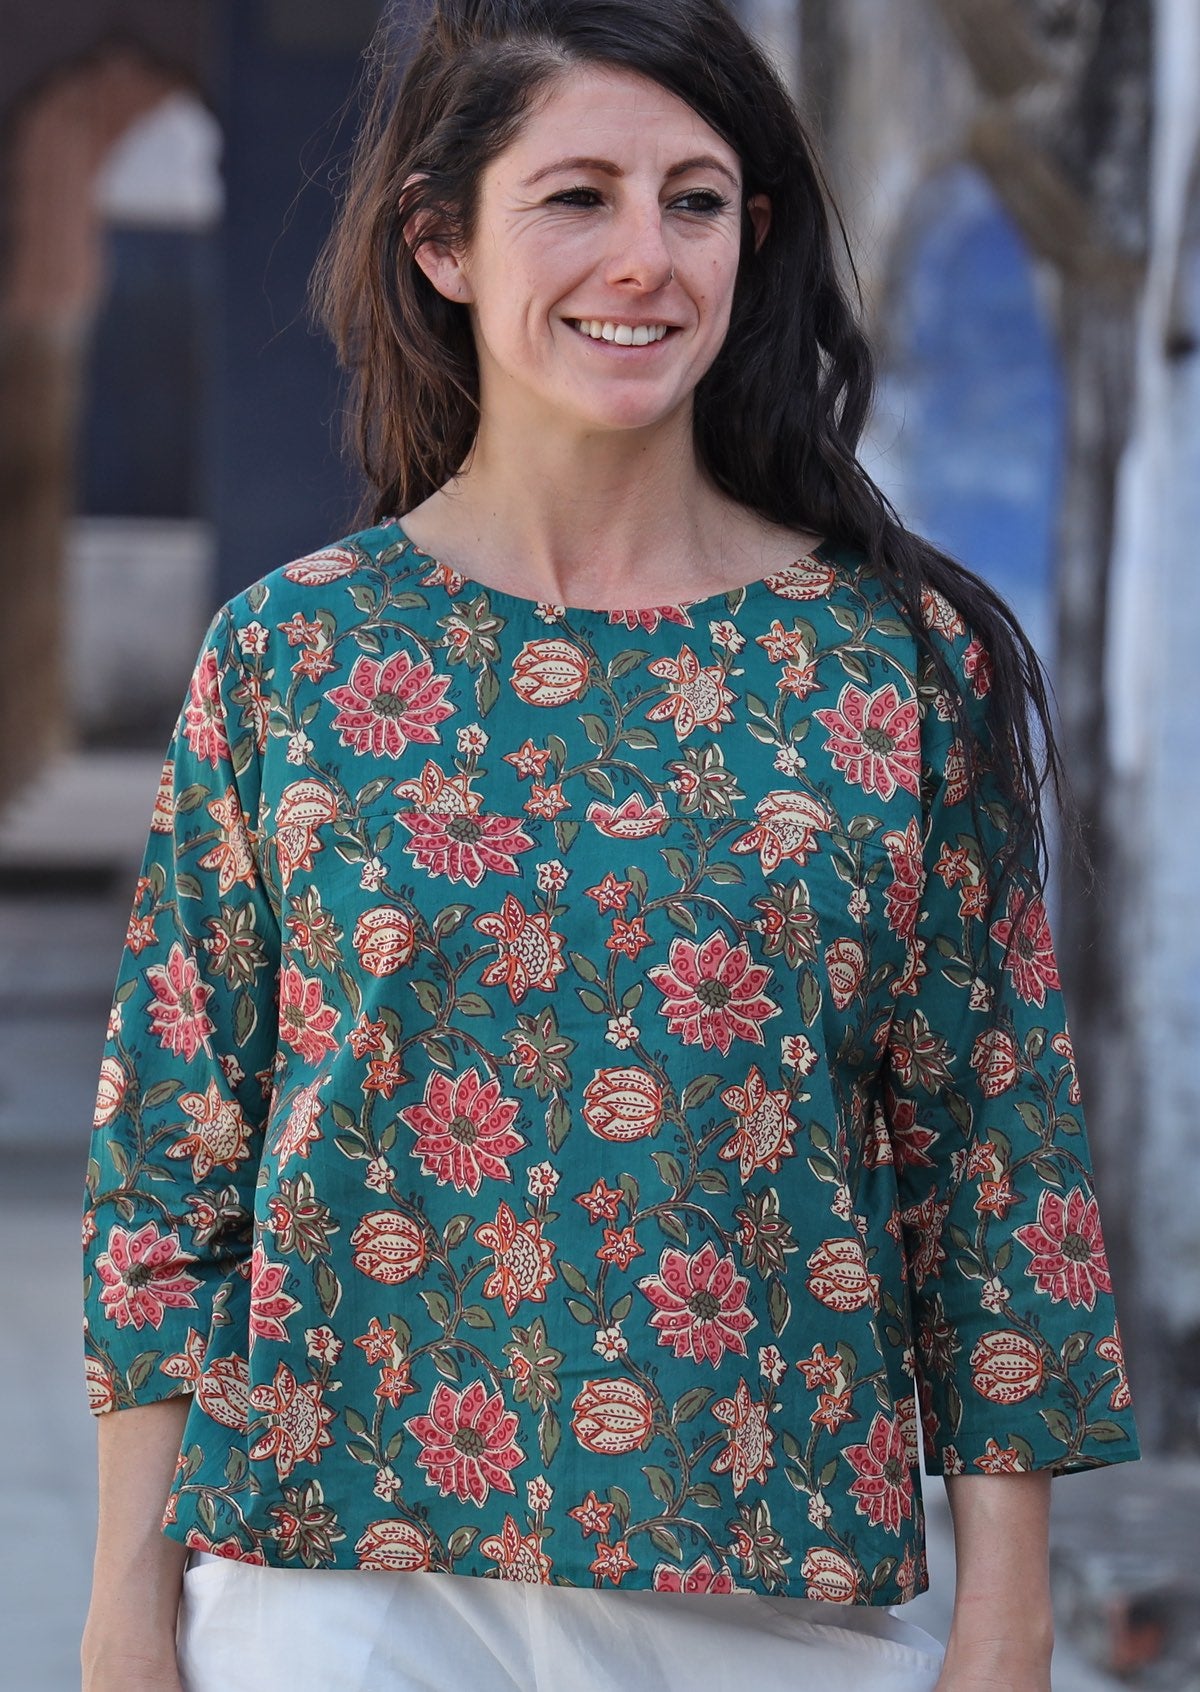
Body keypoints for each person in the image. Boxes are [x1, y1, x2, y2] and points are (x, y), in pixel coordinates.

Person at [80, 2, 1141, 1689]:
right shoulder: (293, 660)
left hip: (769, 1580)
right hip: (337, 1578)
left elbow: (992, 1162)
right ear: (440, 239)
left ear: (752, 237)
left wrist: (1003, 1622)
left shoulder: (890, 662)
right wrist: (126, 1601)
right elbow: (172, 1162)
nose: (645, 259)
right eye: (577, 196)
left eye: (697, 200)